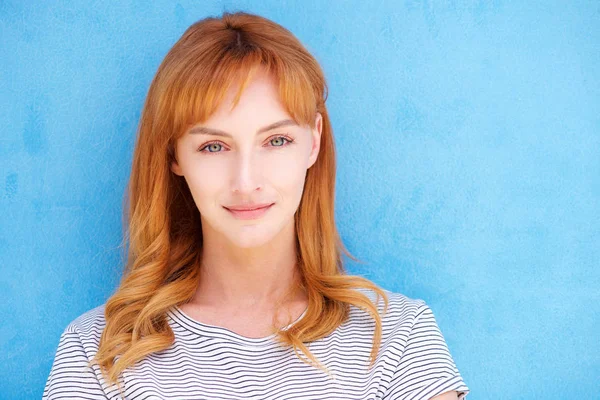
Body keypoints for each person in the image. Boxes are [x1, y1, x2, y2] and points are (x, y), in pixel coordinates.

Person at [42, 11, 469, 400]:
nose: (245, 182)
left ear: (314, 141)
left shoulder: (396, 337)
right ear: (174, 156)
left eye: (276, 141)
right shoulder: (98, 351)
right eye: (213, 146)